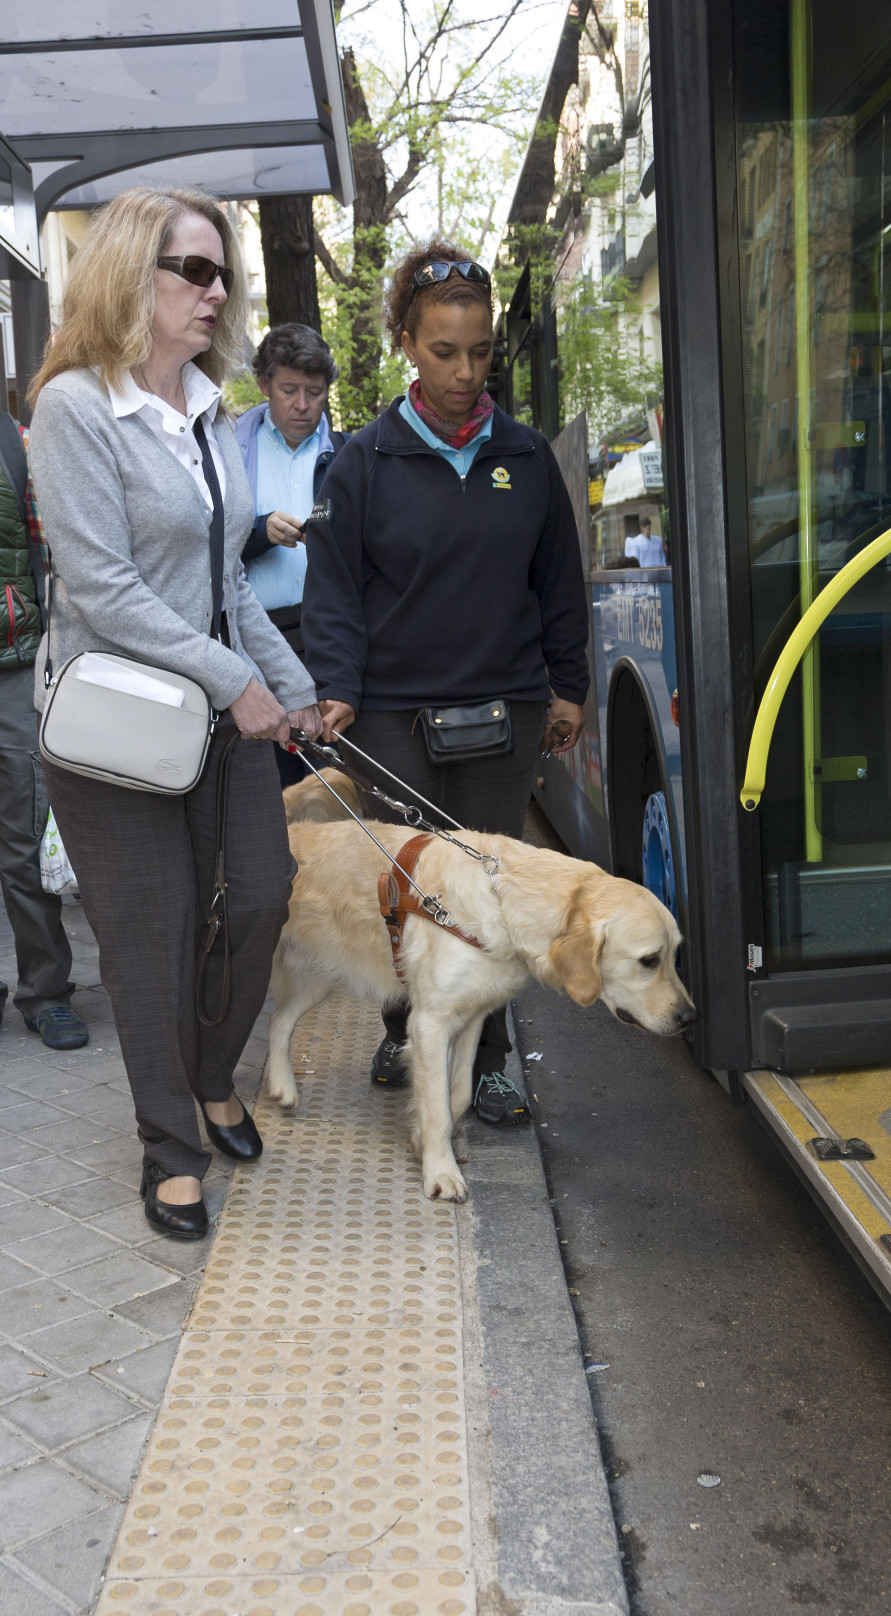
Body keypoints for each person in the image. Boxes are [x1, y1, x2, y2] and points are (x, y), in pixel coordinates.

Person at [28, 186, 322, 1240]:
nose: (215, 292)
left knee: (260, 899)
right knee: (151, 938)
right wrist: (234, 680)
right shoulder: (74, 409)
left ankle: (207, 1073)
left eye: (221, 274)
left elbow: (228, 581)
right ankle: (170, 1147)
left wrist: (293, 688)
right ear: (128, 274)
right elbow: (104, 589)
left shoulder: (208, 410)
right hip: (119, 728)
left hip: (216, 716)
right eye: (193, 271)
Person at [302, 238, 589, 1123]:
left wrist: (569, 686)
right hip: (390, 716)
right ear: (406, 343)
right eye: (443, 352)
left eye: (480, 352)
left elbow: (559, 583)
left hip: (506, 711)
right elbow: (334, 591)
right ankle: (404, 1028)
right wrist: (338, 686)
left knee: (490, 893)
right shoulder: (361, 462)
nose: (465, 373)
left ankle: (493, 1061)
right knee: (408, 888)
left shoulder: (527, 458)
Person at [0, 411, 82, 1049]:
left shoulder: (17, 442)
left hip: (15, 665)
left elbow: (56, 555)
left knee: (26, 836)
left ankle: (46, 990)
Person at [235, 323, 345, 784]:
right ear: (264, 386)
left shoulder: (347, 455)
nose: (302, 405)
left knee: (330, 785)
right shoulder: (230, 450)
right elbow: (206, 544)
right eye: (289, 390)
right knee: (269, 784)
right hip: (257, 640)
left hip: (328, 637)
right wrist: (260, 532)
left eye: (314, 393)